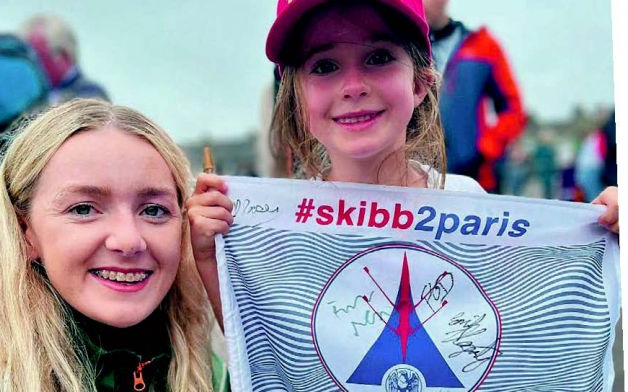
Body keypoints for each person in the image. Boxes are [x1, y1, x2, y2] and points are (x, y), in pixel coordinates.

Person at [186, 0, 619, 329]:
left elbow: (526, 334)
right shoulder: (270, 228)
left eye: (378, 57)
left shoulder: (470, 204)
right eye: (325, 65)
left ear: (420, 82)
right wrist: (209, 259)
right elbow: (265, 352)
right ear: (295, 99)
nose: (353, 86)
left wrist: (602, 234)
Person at [0, 99, 229, 391]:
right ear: (24, 230)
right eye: (83, 209)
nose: (128, 240)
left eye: (153, 210)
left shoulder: (203, 371)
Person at [423, 0, 526, 193]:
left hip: (476, 177)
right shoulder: (399, 47)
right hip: (414, 180)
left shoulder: (483, 46)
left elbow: (514, 108)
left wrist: (484, 150)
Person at [21, 14, 109, 105]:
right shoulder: (33, 95)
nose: (29, 64)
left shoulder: (91, 96)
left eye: (37, 57)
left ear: (63, 55)